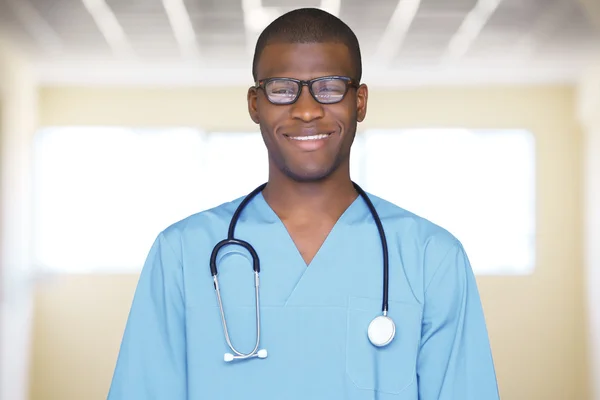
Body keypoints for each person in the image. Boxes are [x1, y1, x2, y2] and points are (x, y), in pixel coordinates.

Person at [107, 7, 500, 400]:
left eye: (329, 87)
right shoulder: (181, 252)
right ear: (254, 104)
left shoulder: (431, 257)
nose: (307, 109)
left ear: (359, 102)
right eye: (282, 88)